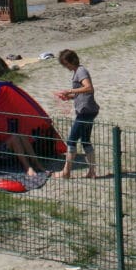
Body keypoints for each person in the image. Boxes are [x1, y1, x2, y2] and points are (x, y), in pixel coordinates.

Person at [54, 49, 100, 179]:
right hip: (88, 110)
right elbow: (83, 93)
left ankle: (66, 172)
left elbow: (89, 88)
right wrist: (69, 96)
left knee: (71, 140)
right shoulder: (78, 71)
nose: (66, 67)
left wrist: (69, 90)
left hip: (86, 111)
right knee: (85, 141)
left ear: (71, 61)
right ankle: (92, 172)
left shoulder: (81, 71)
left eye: (66, 64)